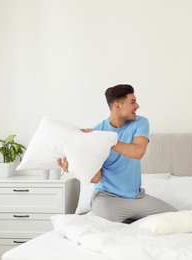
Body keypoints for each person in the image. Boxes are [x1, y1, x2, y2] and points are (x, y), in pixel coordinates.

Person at [59, 84, 177, 223]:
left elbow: (138, 152)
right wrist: (75, 169)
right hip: (107, 199)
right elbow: (96, 178)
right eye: (132, 102)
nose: (137, 106)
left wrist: (107, 140)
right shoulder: (96, 133)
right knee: (106, 230)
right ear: (117, 106)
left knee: (179, 218)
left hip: (136, 198)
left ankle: (129, 221)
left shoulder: (139, 123)